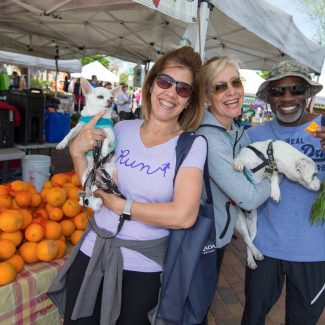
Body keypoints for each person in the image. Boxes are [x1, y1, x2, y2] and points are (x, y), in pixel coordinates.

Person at [48, 46, 207, 325]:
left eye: (182, 89)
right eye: (165, 81)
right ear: (151, 85)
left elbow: (184, 215)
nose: (171, 93)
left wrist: (122, 206)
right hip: (92, 253)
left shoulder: (192, 145)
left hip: (142, 267)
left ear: (189, 100)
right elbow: (91, 183)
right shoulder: (121, 129)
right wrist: (76, 154)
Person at [241, 60, 325, 325]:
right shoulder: (254, 136)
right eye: (278, 91)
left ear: (307, 94)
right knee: (252, 318)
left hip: (315, 252)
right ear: (268, 98)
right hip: (264, 247)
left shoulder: (323, 130)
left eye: (296, 89)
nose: (287, 97)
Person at [196, 56, 271, 276]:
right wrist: (280, 173)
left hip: (222, 233)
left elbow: (253, 171)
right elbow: (249, 198)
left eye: (235, 82)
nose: (231, 91)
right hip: (204, 236)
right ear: (207, 97)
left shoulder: (237, 131)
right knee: (194, 308)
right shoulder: (210, 138)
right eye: (219, 87)